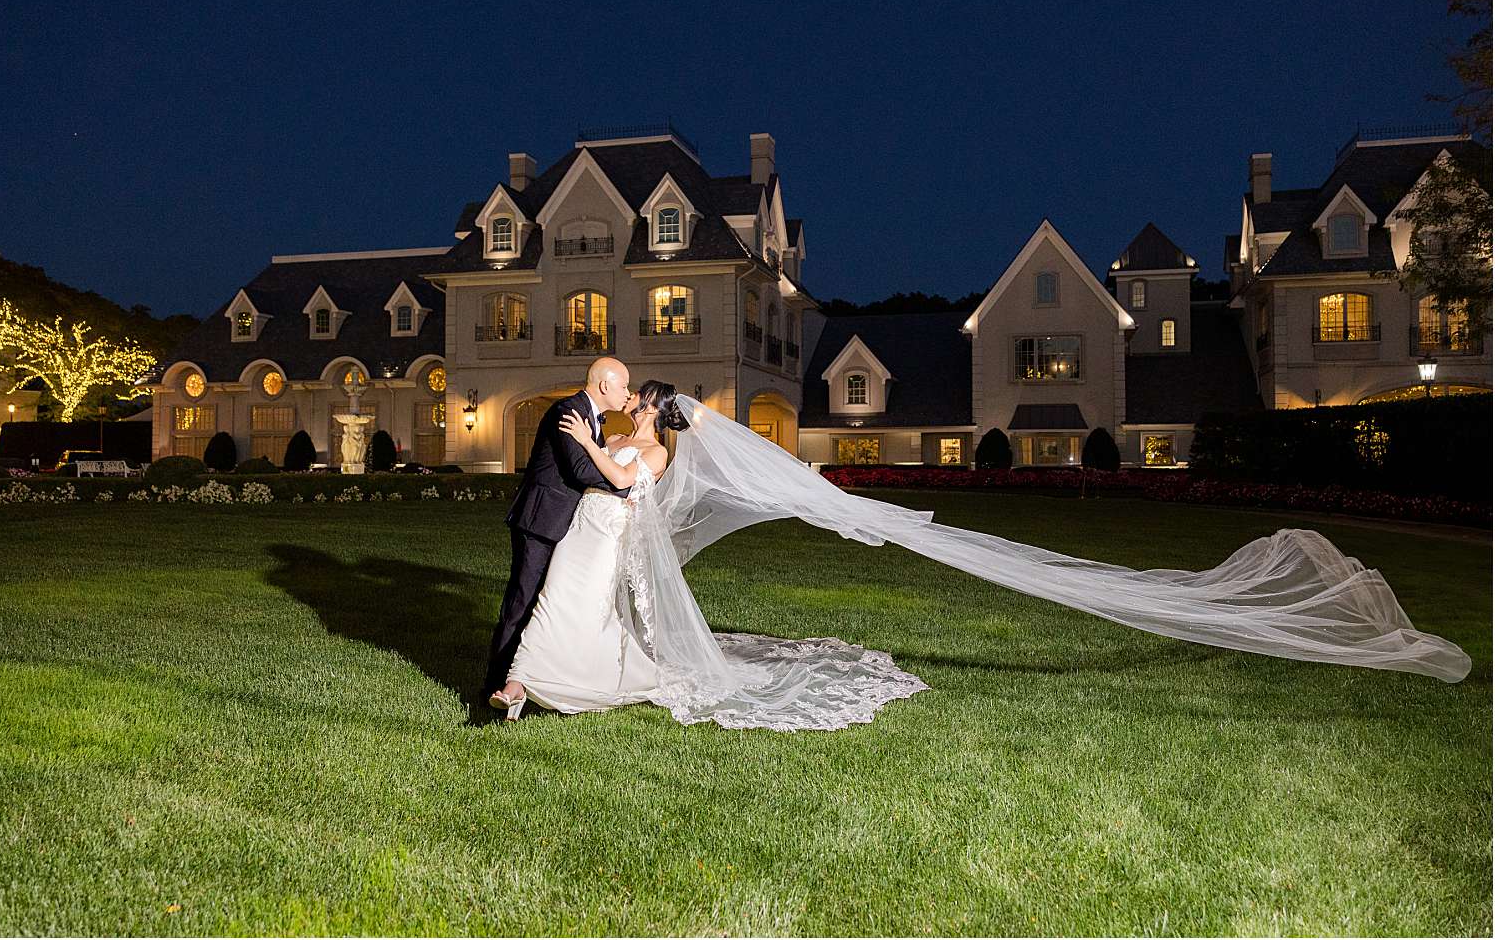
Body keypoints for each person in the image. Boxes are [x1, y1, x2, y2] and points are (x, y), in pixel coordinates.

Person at [489, 388, 1469, 731]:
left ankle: (546, 674)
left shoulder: (653, 449)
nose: (630, 418)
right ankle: (545, 672)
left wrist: (601, 451)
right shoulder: (660, 446)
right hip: (599, 544)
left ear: (652, 418)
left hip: (606, 532)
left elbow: (627, 482)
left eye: (636, 411)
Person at [487, 380, 676, 720]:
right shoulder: (615, 439)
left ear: (648, 407)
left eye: (636, 393)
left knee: (588, 609)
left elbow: (620, 479)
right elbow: (587, 472)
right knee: (551, 598)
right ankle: (517, 684)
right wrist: (589, 443)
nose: (629, 395)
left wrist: (587, 440)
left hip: (608, 536)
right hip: (579, 528)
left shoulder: (657, 451)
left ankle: (579, 673)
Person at [482, 357, 632, 708]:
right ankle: (494, 684)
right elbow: (580, 469)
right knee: (521, 602)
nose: (627, 392)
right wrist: (625, 488)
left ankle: (526, 681)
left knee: (543, 604)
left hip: (561, 523)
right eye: (623, 385)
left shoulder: (592, 417)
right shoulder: (570, 411)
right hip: (540, 521)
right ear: (606, 385)